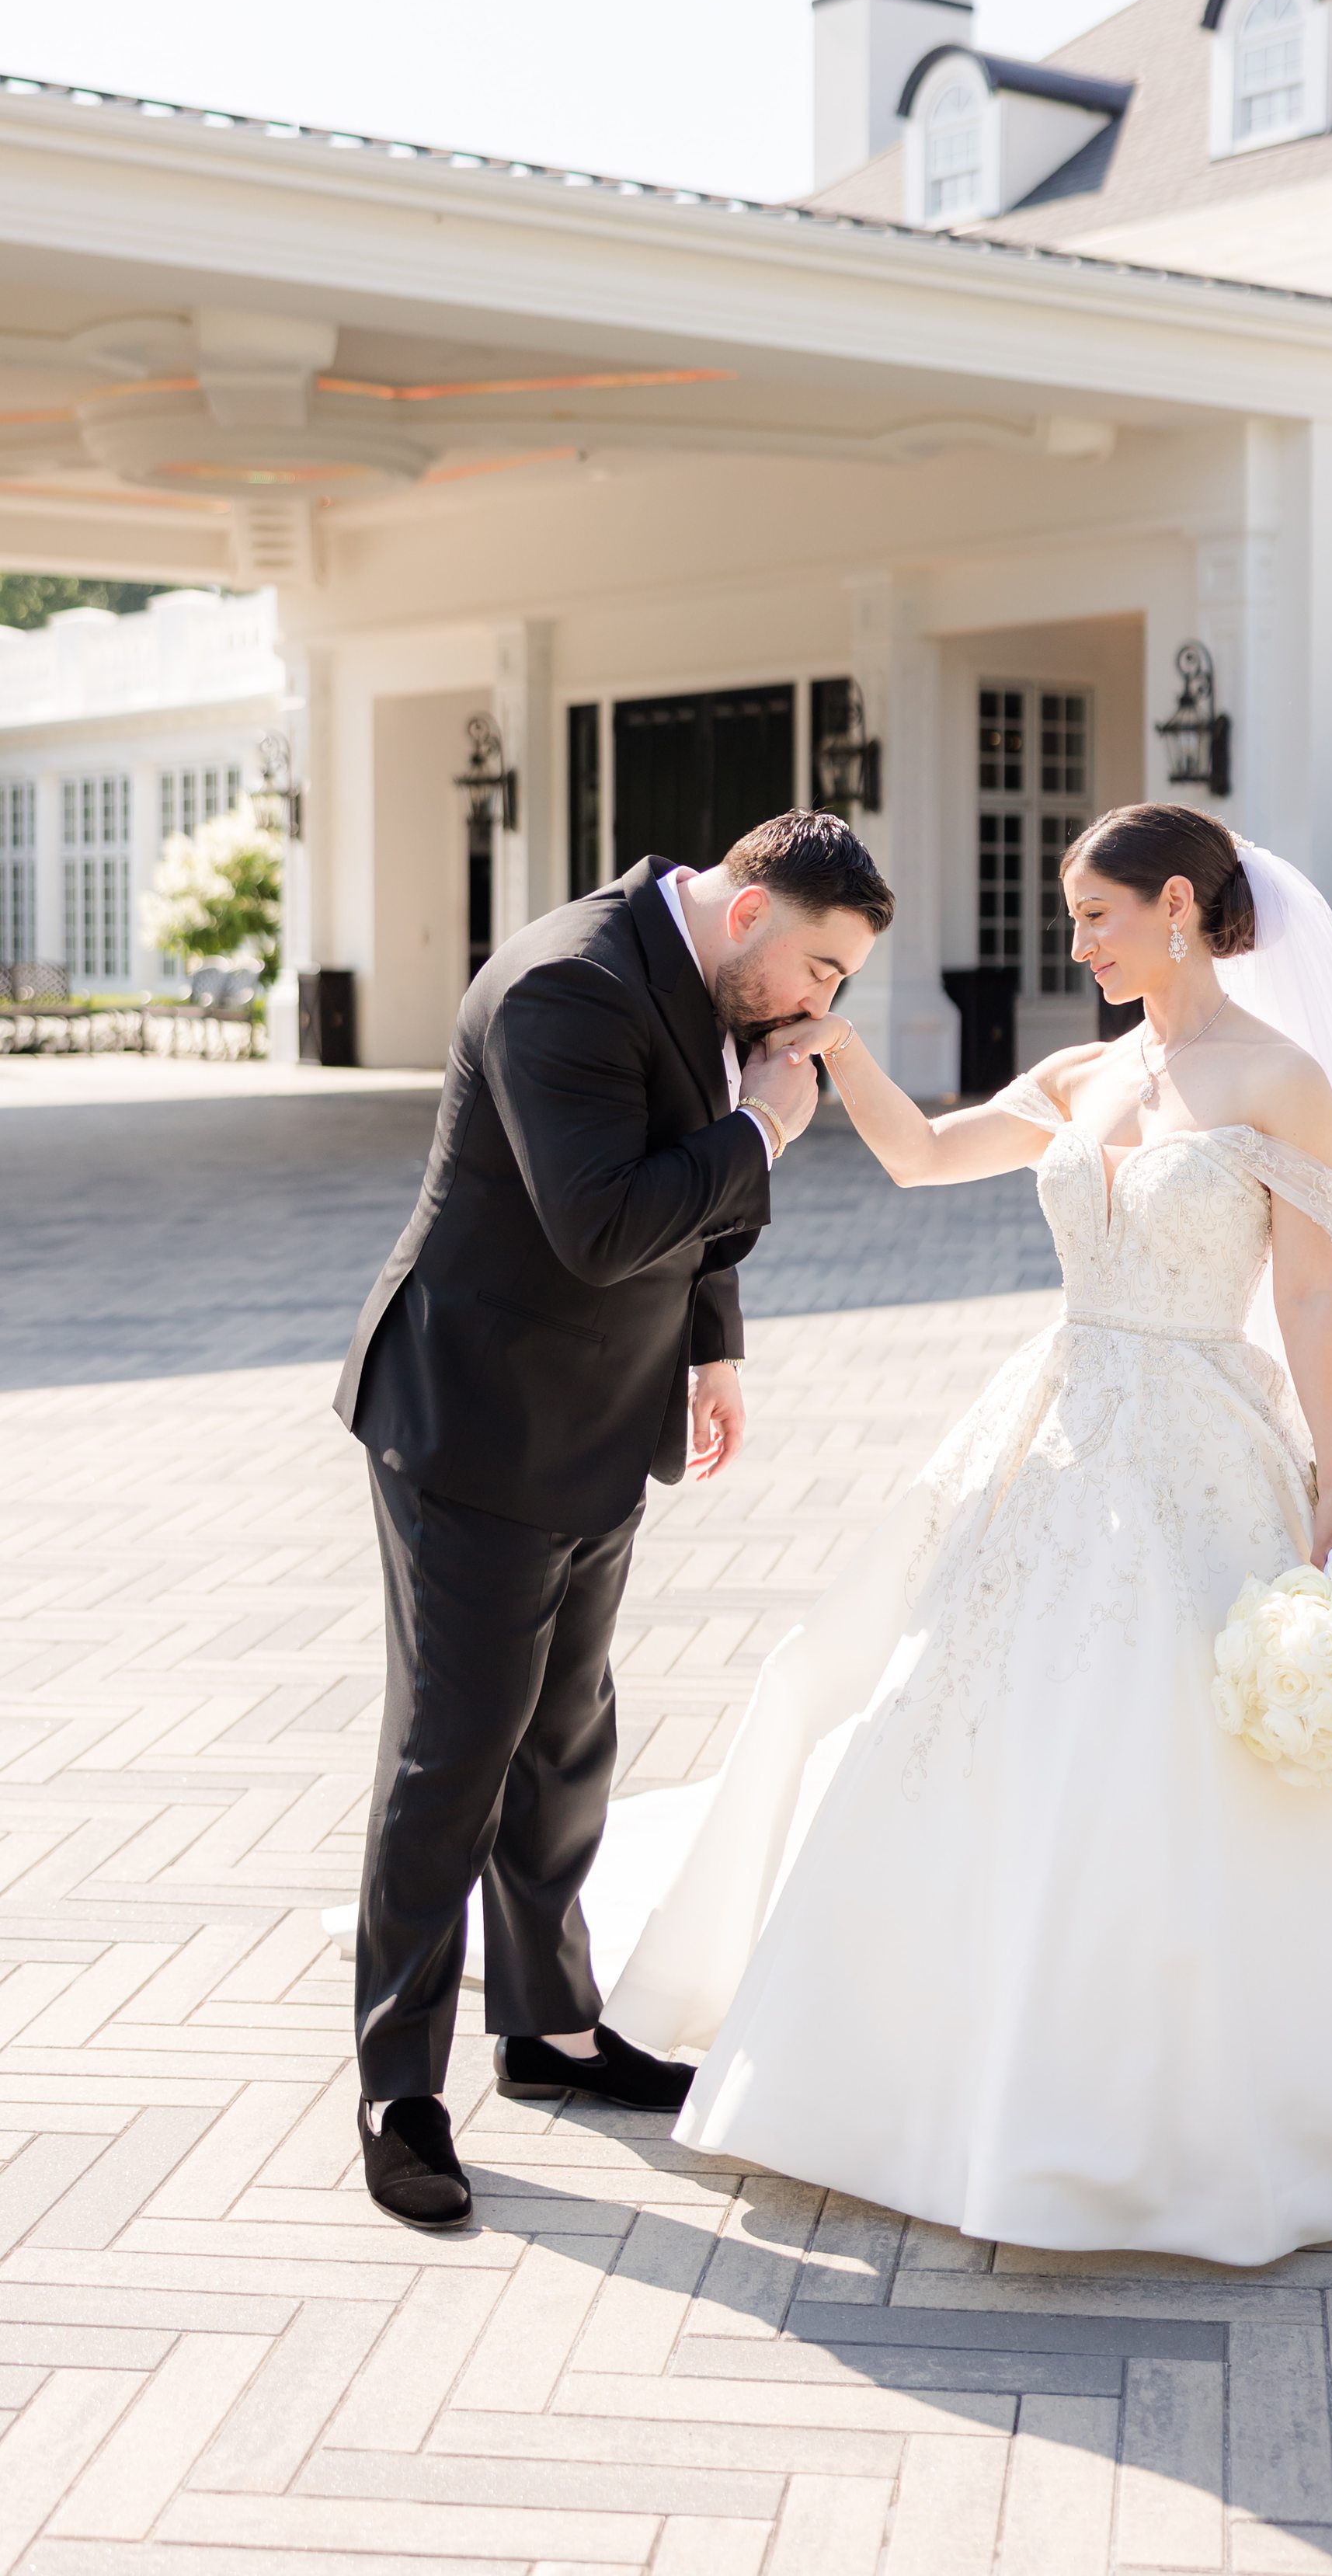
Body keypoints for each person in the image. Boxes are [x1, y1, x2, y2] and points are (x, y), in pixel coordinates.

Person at [591, 802, 1332, 2268]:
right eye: (1073, 918)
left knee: (1190, 1734)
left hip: (1202, 1427)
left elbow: (1317, 1299)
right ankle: (947, 2059)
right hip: (1060, 1418)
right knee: (967, 1710)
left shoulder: (1284, 1080)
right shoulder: (1085, 1071)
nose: (1077, 943)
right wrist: (831, 1054)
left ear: (1184, 913)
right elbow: (926, 1156)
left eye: (1098, 917)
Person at [332, 809, 893, 2224]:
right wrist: (768, 1120)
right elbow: (603, 1219)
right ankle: (401, 2088)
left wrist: (714, 1344)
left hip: (599, 1413)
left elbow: (689, 1193)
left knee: (568, 1730)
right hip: (476, 1420)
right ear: (753, 907)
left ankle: (549, 2027)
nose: (824, 1007)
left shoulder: (703, 977)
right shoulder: (564, 984)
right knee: (452, 1752)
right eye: (823, 968)